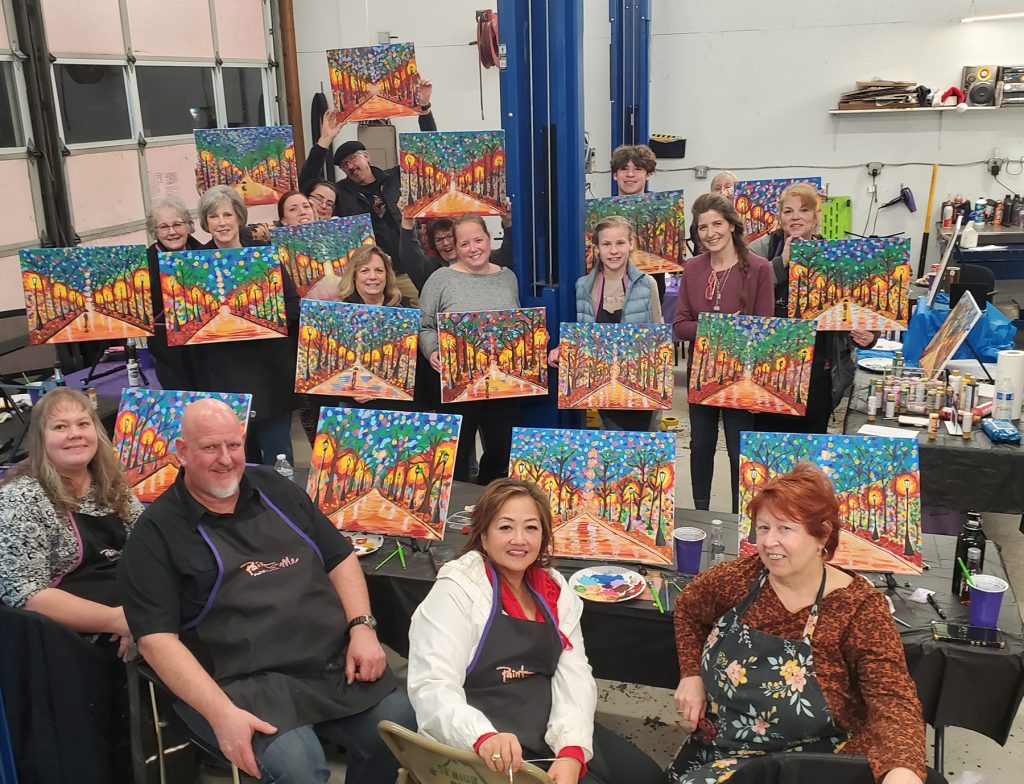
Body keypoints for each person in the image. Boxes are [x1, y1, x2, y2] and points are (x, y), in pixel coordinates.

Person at [119, 399, 416, 783]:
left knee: (399, 728)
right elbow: (157, 642)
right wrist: (221, 714)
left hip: (325, 662)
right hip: (238, 682)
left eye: (233, 445)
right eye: (210, 448)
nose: (225, 459)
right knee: (299, 766)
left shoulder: (275, 488)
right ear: (181, 452)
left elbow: (340, 559)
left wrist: (362, 627)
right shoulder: (155, 534)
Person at [669, 464, 927, 784]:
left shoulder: (859, 609)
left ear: (822, 535)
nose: (769, 542)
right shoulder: (739, 579)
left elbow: (894, 702)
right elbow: (688, 610)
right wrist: (691, 673)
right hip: (724, 751)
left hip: (812, 762)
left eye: (785, 529)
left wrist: (901, 772)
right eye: (763, 528)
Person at [408, 479, 664, 784]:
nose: (519, 540)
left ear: (543, 536)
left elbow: (574, 675)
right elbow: (432, 686)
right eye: (505, 528)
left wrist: (571, 749)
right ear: (483, 536)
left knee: (647, 776)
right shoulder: (459, 590)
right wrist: (482, 737)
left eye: (531, 528)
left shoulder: (554, 590)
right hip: (482, 740)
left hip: (547, 721)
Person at [0, 388, 142, 648]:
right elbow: (25, 594)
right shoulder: (20, 498)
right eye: (60, 426)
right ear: (41, 439)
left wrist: (146, 610)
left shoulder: (112, 483)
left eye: (83, 424)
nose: (74, 434)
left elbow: (149, 546)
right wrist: (117, 620)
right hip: (66, 640)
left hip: (131, 607)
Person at [673, 193, 773, 513]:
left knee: (738, 451)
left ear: (731, 225)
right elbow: (679, 325)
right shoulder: (693, 268)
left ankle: (739, 519)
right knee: (700, 446)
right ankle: (700, 514)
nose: (710, 232)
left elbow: (764, 330)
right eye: (702, 227)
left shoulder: (759, 268)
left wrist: (711, 330)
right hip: (701, 374)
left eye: (717, 223)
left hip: (742, 379)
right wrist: (721, 330)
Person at [750, 182, 877, 434]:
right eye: (788, 211)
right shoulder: (759, 250)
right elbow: (745, 298)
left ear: (816, 217)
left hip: (819, 369)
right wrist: (780, 264)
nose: (795, 216)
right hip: (771, 367)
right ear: (780, 217)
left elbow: (861, 308)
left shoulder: (835, 256)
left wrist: (870, 337)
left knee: (810, 445)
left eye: (804, 210)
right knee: (767, 446)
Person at [190, 184, 301, 465]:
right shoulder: (193, 264)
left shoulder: (264, 255)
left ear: (240, 217)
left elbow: (291, 305)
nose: (222, 223)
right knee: (236, 459)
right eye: (213, 217)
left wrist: (261, 318)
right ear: (205, 223)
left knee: (279, 459)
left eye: (227, 214)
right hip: (222, 374)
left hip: (270, 371)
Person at [298, 80, 437, 301]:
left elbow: (430, 153)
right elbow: (306, 186)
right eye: (344, 164)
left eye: (353, 158)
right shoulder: (341, 193)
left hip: (408, 272)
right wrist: (325, 140)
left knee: (422, 320)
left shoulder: (396, 178)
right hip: (367, 279)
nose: (350, 166)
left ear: (366, 156)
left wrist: (424, 108)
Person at [418, 215, 526, 484]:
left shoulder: (507, 277)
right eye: (464, 243)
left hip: (503, 389)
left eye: (478, 240)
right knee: (455, 458)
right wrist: (432, 350)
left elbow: (518, 325)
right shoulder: (440, 279)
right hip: (456, 387)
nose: (473, 248)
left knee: (501, 456)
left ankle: (489, 506)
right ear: (456, 247)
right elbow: (424, 326)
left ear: (489, 240)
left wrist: (531, 338)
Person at [549, 215, 664, 431]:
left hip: (638, 384)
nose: (613, 251)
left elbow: (658, 333)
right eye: (606, 244)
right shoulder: (584, 286)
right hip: (602, 383)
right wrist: (561, 349)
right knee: (614, 439)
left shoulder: (647, 285)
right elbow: (582, 333)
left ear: (631, 244)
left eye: (620, 243)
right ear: (597, 249)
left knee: (638, 442)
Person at [146, 196, 205, 390]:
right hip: (169, 353)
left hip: (207, 349)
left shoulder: (207, 255)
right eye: (163, 227)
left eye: (178, 224)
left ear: (189, 226)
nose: (172, 232)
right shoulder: (143, 263)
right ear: (154, 232)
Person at [399, 206, 514, 292]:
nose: (446, 243)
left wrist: (507, 222)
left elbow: (510, 252)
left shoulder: (485, 259)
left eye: (449, 236)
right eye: (439, 240)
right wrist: (407, 224)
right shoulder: (432, 270)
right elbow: (411, 258)